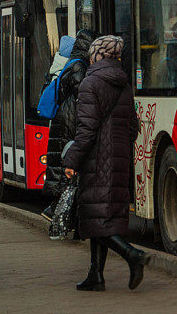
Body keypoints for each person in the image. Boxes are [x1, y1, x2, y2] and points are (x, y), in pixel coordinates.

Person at [62, 35, 147, 292]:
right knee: (101, 216)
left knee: (97, 217)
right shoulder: (123, 83)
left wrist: (72, 160)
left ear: (97, 55)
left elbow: (86, 130)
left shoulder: (90, 83)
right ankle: (95, 275)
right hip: (119, 160)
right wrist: (119, 146)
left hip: (97, 160)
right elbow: (133, 126)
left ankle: (133, 255)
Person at [41, 29, 97, 221]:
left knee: (66, 168)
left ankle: (61, 215)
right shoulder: (78, 68)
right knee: (69, 170)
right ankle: (59, 215)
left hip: (64, 121)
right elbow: (84, 93)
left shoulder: (71, 64)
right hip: (68, 123)